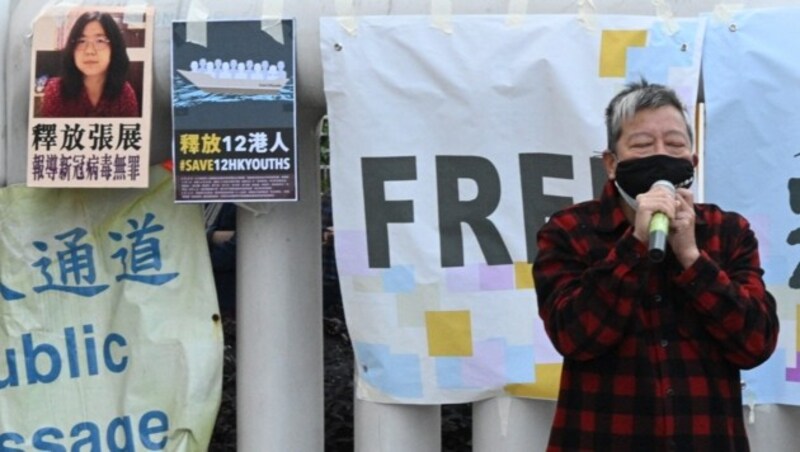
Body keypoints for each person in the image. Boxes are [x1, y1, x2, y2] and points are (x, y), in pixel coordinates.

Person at [533, 80, 779, 451]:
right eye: (643, 146)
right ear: (612, 163)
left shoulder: (728, 233)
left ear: (692, 162)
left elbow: (755, 344)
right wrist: (634, 245)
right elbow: (574, 337)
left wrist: (693, 260)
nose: (660, 155)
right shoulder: (569, 232)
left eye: (675, 145)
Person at [40, 11, 139, 118]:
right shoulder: (55, 90)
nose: (89, 51)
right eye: (81, 41)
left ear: (114, 48)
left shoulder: (125, 93)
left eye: (100, 41)